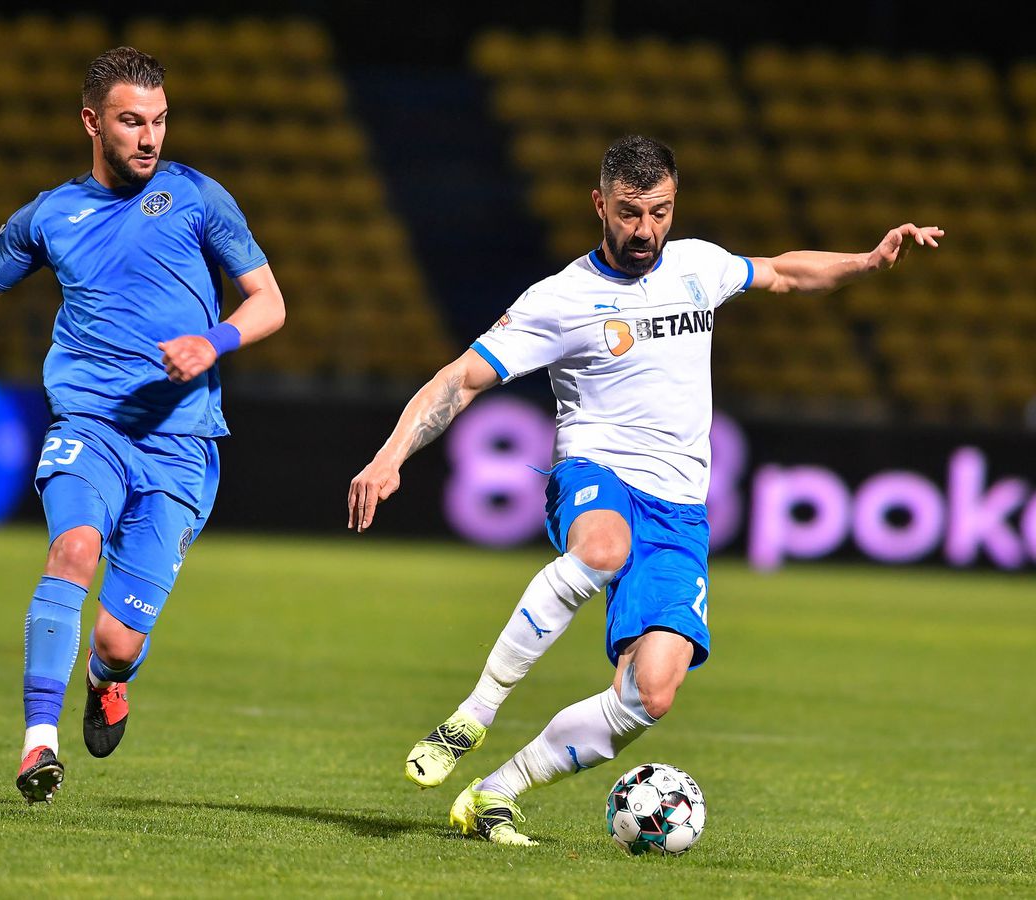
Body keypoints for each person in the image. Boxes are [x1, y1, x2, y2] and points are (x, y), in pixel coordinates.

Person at [347, 134, 941, 846]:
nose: (645, 230)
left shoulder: (697, 266)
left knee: (650, 693)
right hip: (598, 474)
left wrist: (867, 261)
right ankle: (472, 714)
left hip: (681, 511)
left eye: (659, 212)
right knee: (601, 546)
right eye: (629, 213)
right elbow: (459, 378)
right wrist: (391, 456)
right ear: (600, 204)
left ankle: (493, 794)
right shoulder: (561, 299)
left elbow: (782, 272)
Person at [0, 47, 285, 804]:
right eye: (131, 121)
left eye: (159, 120)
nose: (149, 137)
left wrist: (213, 340)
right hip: (90, 423)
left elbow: (268, 301)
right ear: (93, 122)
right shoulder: (50, 215)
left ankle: (105, 678)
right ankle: (37, 745)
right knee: (73, 547)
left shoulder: (197, 198)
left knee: (121, 640)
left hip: (183, 444)